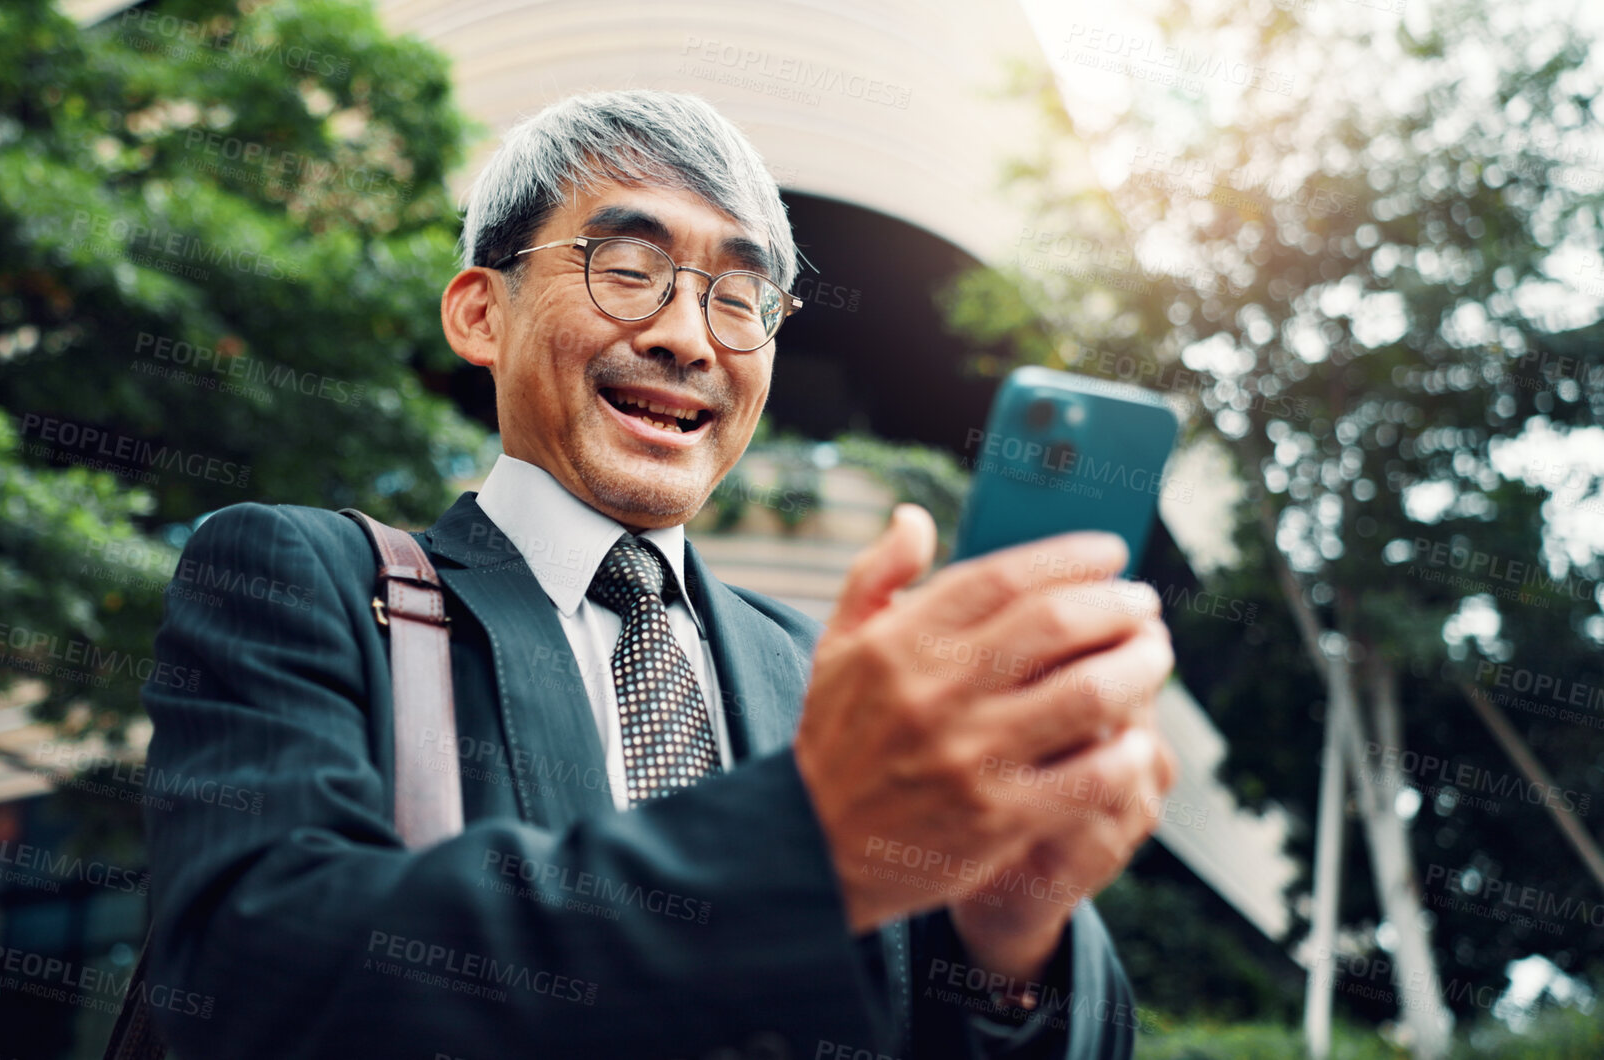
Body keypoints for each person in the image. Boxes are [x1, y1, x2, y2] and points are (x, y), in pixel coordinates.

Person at [140, 89, 1178, 1059]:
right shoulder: (301, 578)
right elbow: (249, 975)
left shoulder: (838, 684)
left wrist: (1009, 941)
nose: (687, 338)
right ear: (478, 314)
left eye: (740, 296)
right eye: (628, 271)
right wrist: (809, 839)